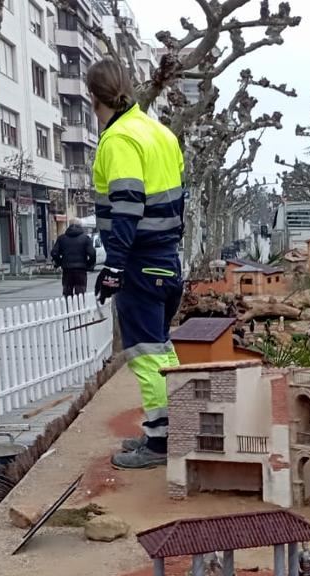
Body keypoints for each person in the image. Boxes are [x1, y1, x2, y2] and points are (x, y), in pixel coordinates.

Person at [86, 59, 185, 470]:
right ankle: (170, 429)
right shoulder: (159, 132)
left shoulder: (119, 139)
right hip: (165, 259)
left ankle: (161, 444)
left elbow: (127, 204)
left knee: (146, 356)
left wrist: (114, 266)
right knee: (161, 350)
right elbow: (178, 199)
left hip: (140, 264)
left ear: (94, 98)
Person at [52, 220, 97, 296]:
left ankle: (68, 303)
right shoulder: (85, 238)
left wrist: (59, 262)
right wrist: (89, 264)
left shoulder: (61, 238)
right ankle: (79, 303)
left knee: (67, 292)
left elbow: (54, 253)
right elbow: (92, 253)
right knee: (80, 292)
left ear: (69, 226)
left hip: (67, 269)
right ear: (80, 226)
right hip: (81, 269)